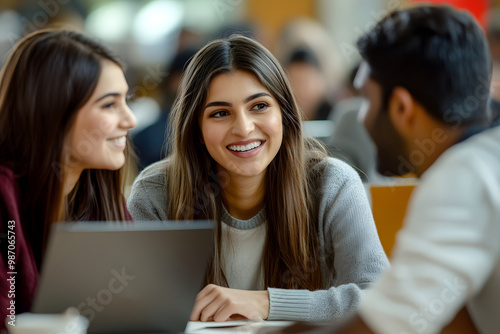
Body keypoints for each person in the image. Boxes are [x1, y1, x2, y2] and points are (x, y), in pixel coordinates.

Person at [127, 35, 389, 323]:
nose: (243, 128)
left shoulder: (332, 183)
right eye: (220, 113)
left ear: (285, 115)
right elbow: (138, 309)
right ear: (196, 129)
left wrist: (268, 303)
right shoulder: (156, 193)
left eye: (260, 106)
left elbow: (380, 300)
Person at [275, 5, 498, 334]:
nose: (359, 117)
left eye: (365, 99)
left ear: (402, 108)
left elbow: (380, 328)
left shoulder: (464, 176)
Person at [0, 29, 137, 325]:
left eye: (126, 100)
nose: (130, 120)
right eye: (110, 104)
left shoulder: (99, 189)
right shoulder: (3, 194)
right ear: (54, 109)